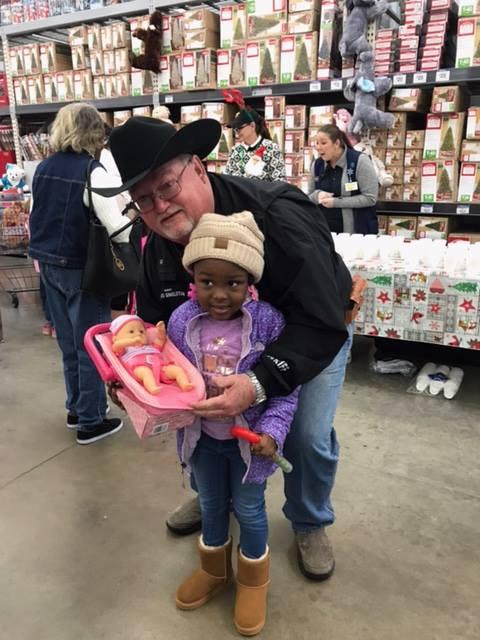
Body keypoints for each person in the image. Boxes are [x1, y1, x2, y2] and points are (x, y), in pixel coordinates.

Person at [96, 116, 353, 580]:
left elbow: (322, 318)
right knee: (200, 423)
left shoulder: (280, 216)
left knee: (306, 434)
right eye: (144, 201)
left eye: (167, 186)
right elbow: (156, 331)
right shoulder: (155, 244)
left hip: (309, 334)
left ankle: (309, 518)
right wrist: (134, 376)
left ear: (197, 167)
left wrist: (259, 384)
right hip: (213, 350)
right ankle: (215, 489)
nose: (160, 206)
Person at [170, 211, 298, 635]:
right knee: (209, 503)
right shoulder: (180, 321)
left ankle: (253, 580)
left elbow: (285, 389)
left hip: (249, 446)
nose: (220, 294)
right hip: (201, 440)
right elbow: (169, 377)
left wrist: (273, 433)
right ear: (193, 276)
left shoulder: (267, 322)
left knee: (248, 509)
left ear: (251, 282)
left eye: (233, 283)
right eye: (208, 281)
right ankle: (214, 570)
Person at [28, 102, 132, 445]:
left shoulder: (43, 168)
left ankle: (75, 407)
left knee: (69, 343)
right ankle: (91, 420)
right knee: (92, 345)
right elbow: (116, 227)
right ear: (93, 132)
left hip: (48, 266)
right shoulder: (93, 171)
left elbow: (35, 216)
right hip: (82, 269)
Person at [308, 124, 379, 234]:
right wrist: (317, 196)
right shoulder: (317, 165)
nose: (318, 147)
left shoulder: (359, 161)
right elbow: (308, 197)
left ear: (336, 143)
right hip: (323, 234)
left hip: (355, 235)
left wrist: (335, 202)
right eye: (316, 143)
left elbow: (370, 198)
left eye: (323, 143)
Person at [224, 108, 286, 182]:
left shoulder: (271, 148)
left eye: (239, 128)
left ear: (252, 126)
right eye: (235, 129)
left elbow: (280, 181)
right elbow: (227, 178)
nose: (236, 132)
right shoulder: (235, 150)